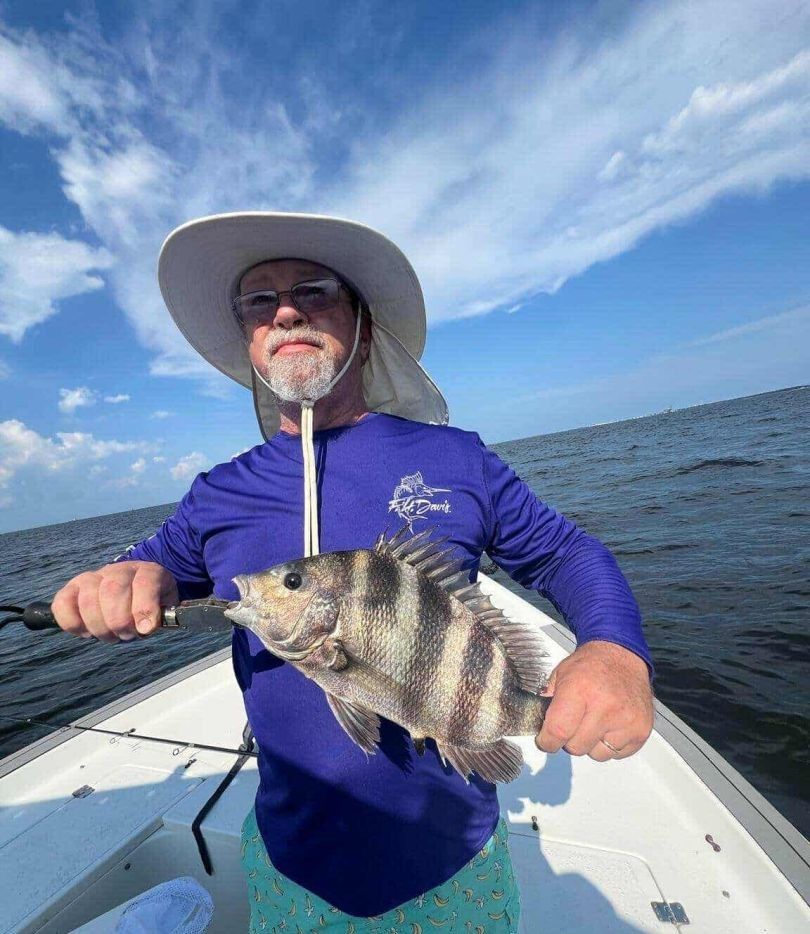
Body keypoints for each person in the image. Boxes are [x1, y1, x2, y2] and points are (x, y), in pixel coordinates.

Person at [52, 212, 654, 932]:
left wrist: (615, 648)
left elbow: (567, 552)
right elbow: (153, 568)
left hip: (452, 862)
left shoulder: (458, 459)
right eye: (258, 302)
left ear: (364, 331)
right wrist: (128, 576)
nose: (285, 310)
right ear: (249, 340)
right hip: (290, 862)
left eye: (315, 291)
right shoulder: (216, 492)